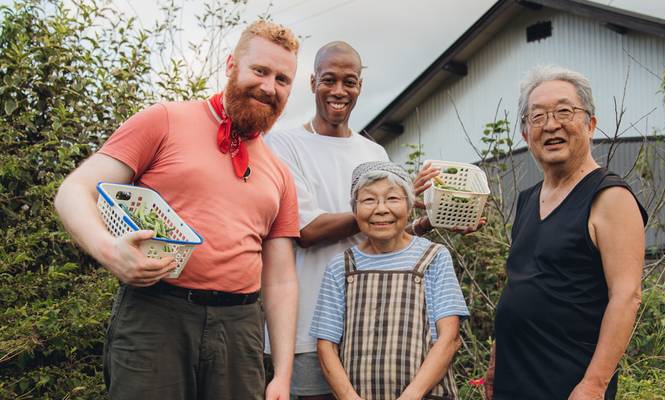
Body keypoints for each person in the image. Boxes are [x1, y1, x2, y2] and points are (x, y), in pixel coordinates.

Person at [54, 20, 301, 400]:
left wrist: (282, 375)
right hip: (156, 314)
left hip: (240, 328)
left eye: (282, 79)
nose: (269, 87)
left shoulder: (281, 174)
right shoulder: (164, 120)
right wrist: (110, 252)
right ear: (230, 65)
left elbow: (281, 281)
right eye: (260, 70)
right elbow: (74, 190)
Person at [264, 41, 441, 399]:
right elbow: (305, 230)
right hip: (305, 333)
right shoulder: (283, 145)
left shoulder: (373, 152)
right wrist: (389, 203)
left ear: (360, 85)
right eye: (329, 80)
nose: (339, 91)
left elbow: (384, 238)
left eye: (350, 81)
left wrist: (422, 219)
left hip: (369, 330)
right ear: (313, 82)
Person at [485, 66, 648, 400]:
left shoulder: (610, 197)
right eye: (538, 116)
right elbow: (521, 284)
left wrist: (594, 384)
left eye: (564, 111)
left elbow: (627, 295)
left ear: (589, 124)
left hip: (569, 383)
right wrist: (496, 362)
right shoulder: (528, 199)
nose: (551, 124)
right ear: (525, 133)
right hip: (513, 381)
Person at [310, 161, 469, 400]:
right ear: (355, 210)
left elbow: (450, 338)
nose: (381, 209)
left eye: (393, 198)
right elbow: (326, 346)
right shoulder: (340, 267)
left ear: (409, 206)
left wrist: (410, 396)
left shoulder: (434, 258)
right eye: (369, 200)